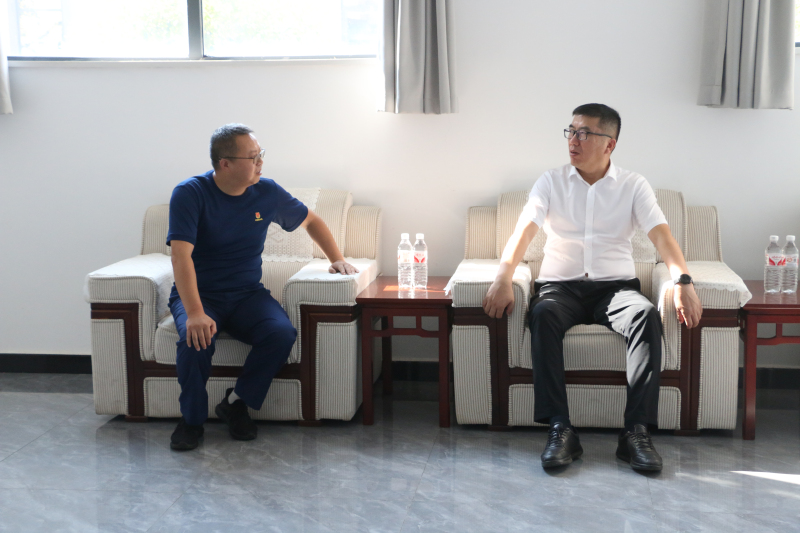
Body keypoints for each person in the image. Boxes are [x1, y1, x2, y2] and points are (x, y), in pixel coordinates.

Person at [482, 104, 702, 472]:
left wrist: (683, 281)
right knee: (542, 314)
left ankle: (635, 433)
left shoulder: (633, 185)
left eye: (584, 133)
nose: (573, 140)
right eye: (570, 131)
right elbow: (524, 232)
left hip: (615, 290)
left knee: (646, 315)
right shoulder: (550, 181)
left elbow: (662, 236)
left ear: (609, 144)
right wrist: (503, 278)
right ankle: (560, 429)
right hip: (559, 288)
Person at [167, 123, 358, 451]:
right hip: (202, 295)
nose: (260, 163)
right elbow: (180, 256)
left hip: (247, 294)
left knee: (281, 333)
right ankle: (192, 421)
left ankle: (236, 404)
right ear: (225, 163)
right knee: (195, 341)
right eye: (253, 157)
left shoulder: (266, 192)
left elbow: (312, 220)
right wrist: (195, 313)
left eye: (261, 155)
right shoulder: (190, 193)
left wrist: (337, 259)